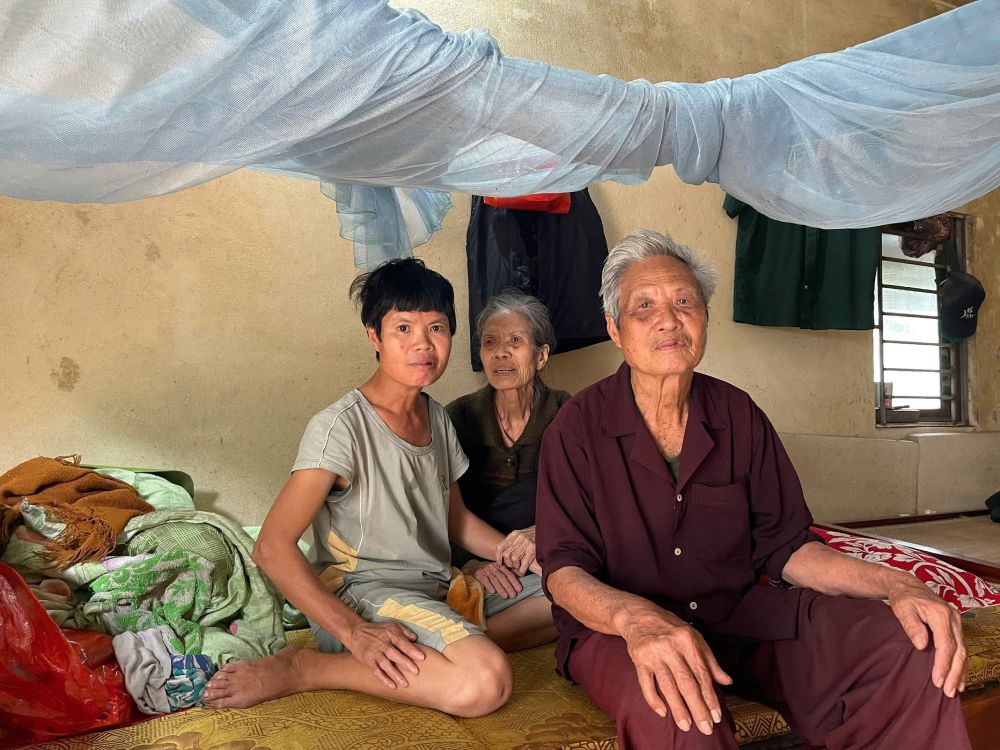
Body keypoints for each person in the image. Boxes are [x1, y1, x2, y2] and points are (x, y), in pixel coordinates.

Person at [535, 230, 970, 750]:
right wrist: (637, 619)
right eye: (643, 307)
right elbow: (563, 571)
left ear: (704, 318)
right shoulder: (576, 428)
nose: (668, 320)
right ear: (615, 329)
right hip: (622, 631)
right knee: (678, 712)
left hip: (736, 615)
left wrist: (894, 584)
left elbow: (787, 547)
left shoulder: (737, 414)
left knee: (908, 644)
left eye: (684, 302)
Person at [201, 258, 548, 713]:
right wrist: (354, 632)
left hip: (435, 587)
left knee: (568, 592)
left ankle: (446, 648)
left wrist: (522, 554)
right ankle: (307, 667)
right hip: (363, 596)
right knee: (485, 683)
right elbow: (271, 547)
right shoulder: (341, 427)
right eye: (403, 328)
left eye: (437, 328)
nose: (422, 343)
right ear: (374, 337)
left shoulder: (437, 417)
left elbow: (456, 521)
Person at [446, 291, 569, 648]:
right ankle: (462, 646)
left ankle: (460, 648)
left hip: (545, 560)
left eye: (515, 341)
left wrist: (540, 534)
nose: (501, 352)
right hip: (480, 569)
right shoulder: (458, 417)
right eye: (490, 342)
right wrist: (470, 563)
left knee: (580, 594)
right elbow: (441, 511)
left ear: (541, 355)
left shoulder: (568, 414)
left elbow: (591, 504)